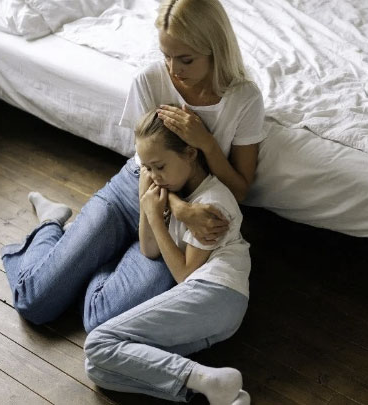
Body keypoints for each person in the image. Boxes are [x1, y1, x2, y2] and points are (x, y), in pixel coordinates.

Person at [0, 0, 265, 333]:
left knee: (101, 318)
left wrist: (206, 144)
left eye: (185, 59)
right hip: (134, 190)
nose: (174, 70)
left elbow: (239, 190)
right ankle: (51, 223)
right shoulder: (150, 79)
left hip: (179, 226)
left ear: (215, 49)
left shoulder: (244, 98)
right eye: (166, 56)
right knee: (34, 303)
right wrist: (178, 208)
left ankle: (99, 256)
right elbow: (146, 167)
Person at [84, 110, 250, 404]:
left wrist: (155, 217)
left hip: (217, 291)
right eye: (147, 168)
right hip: (218, 310)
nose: (153, 176)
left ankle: (210, 381)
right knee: (99, 369)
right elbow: (148, 250)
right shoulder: (173, 192)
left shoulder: (212, 203)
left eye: (159, 166)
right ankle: (218, 392)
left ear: (190, 153)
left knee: (98, 342)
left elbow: (184, 274)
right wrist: (147, 203)